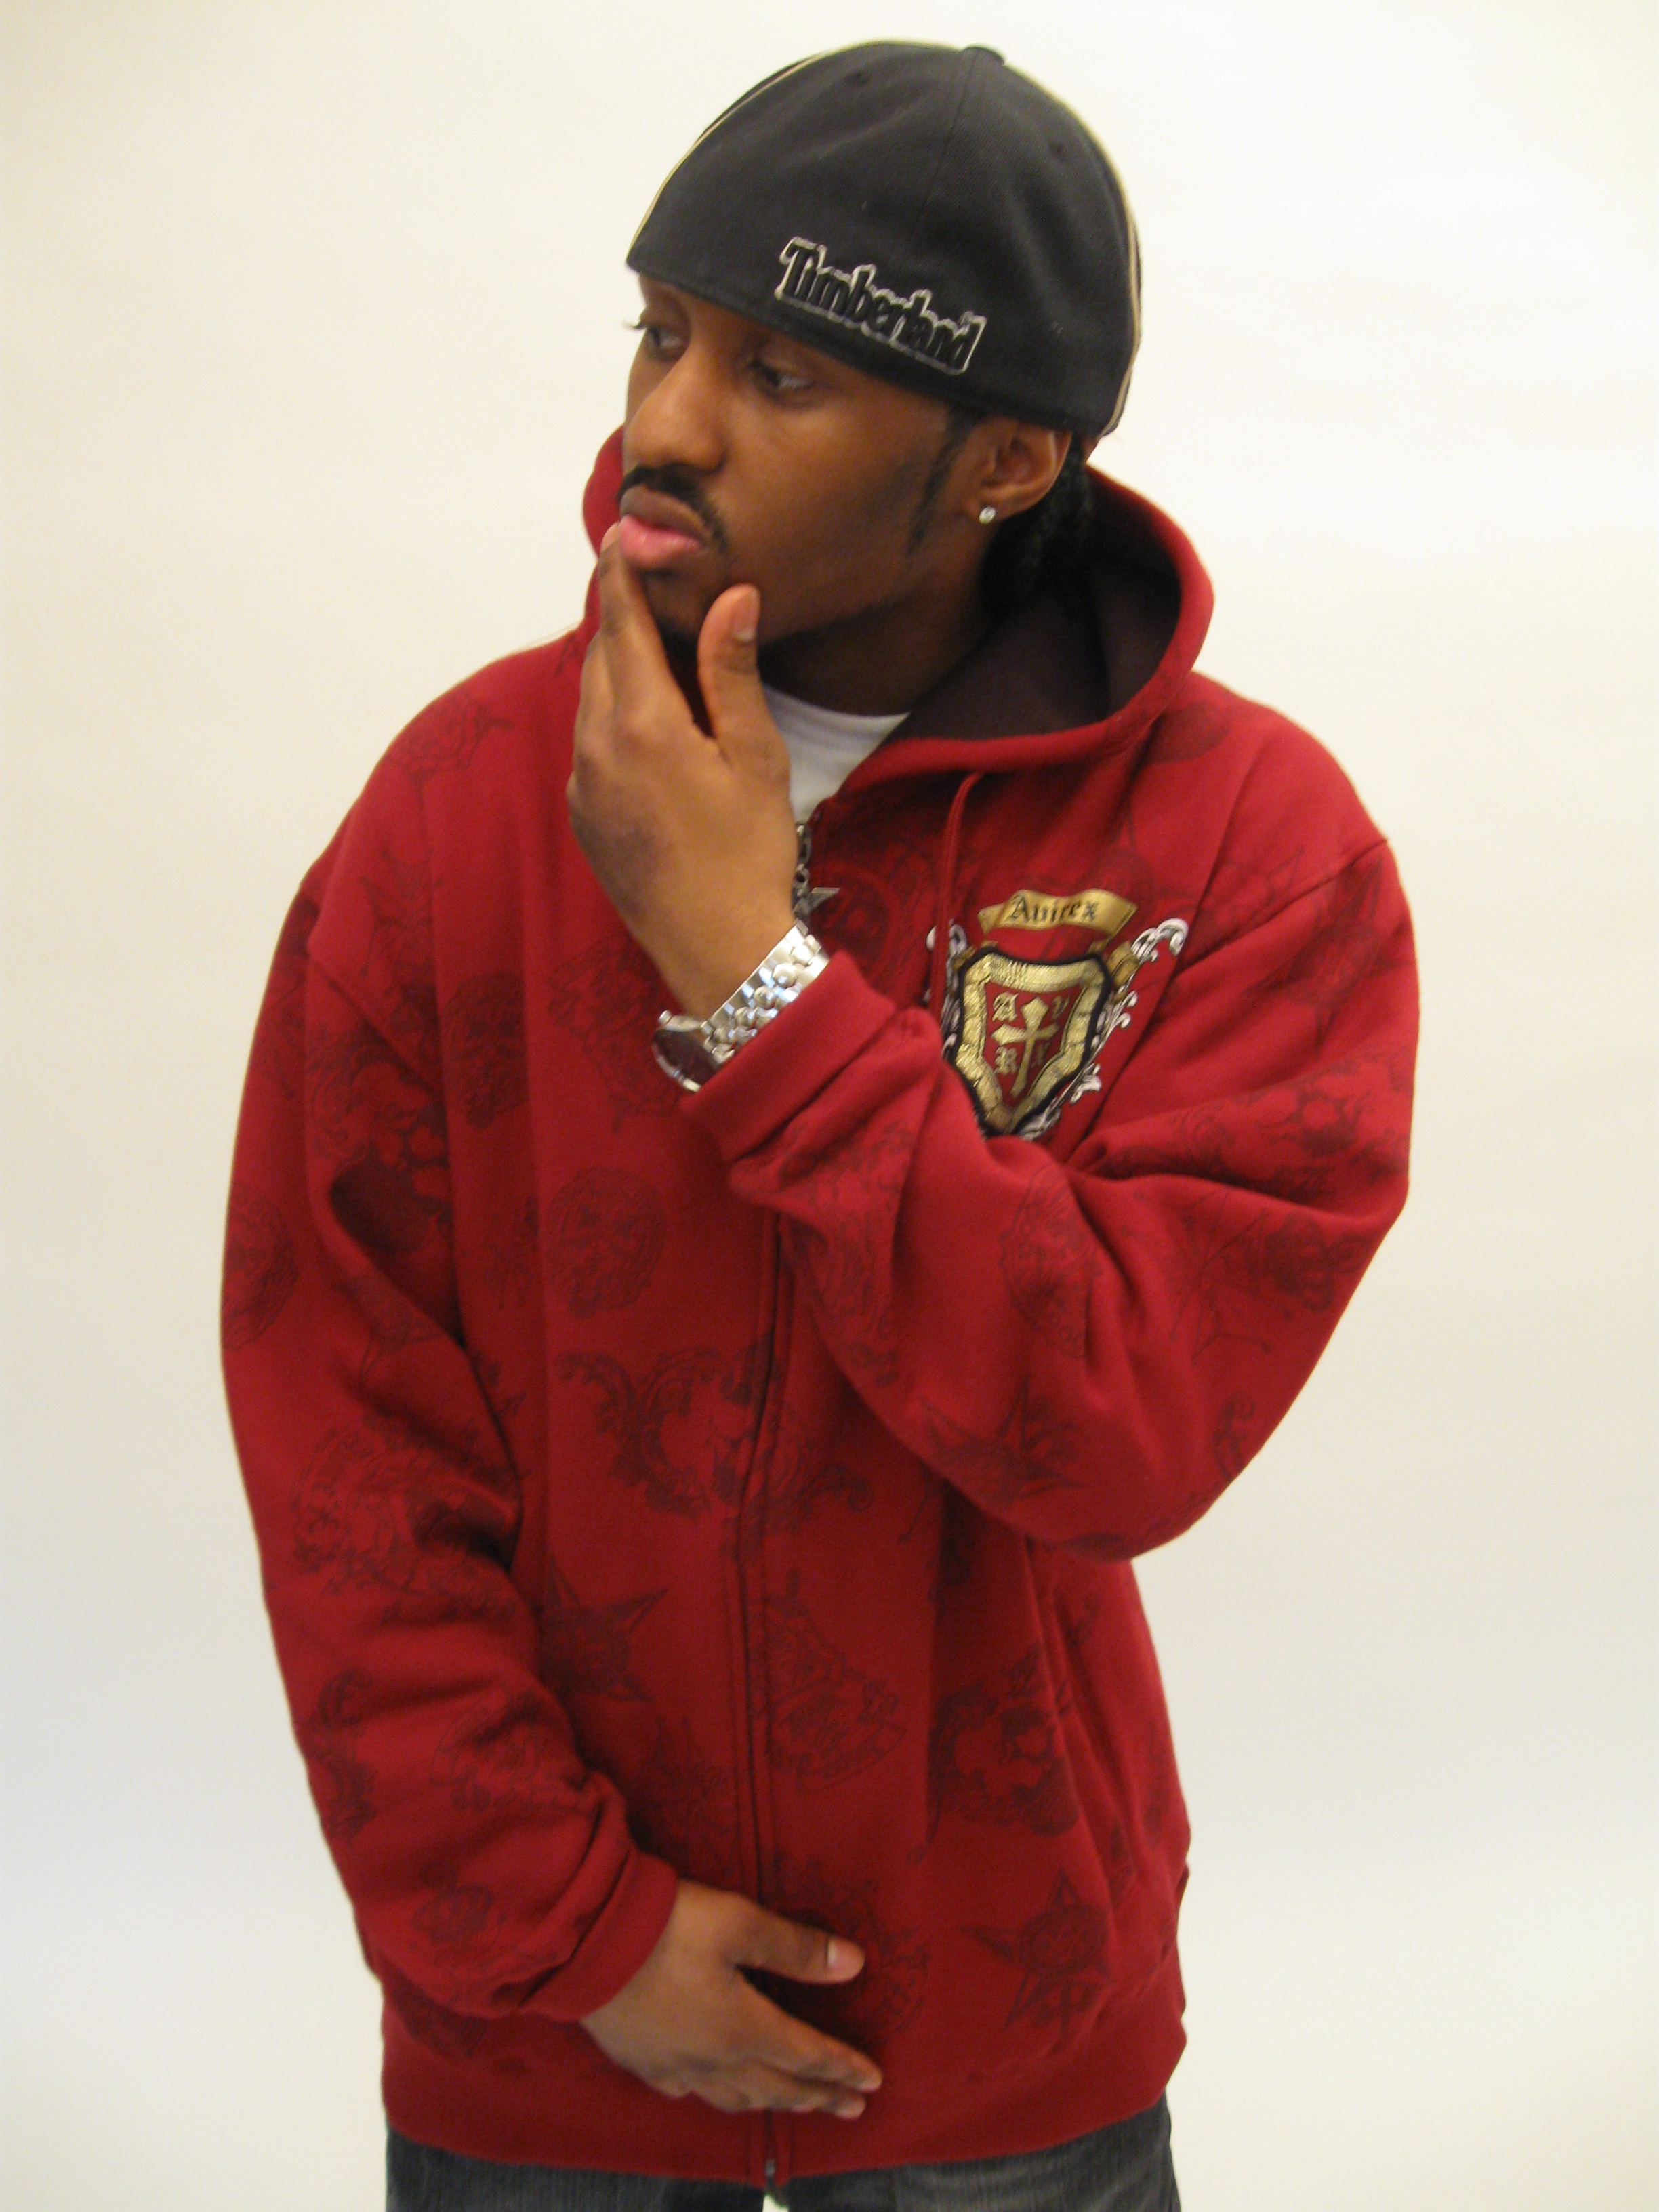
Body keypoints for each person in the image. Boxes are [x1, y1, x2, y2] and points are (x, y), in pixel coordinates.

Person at [222, 41, 1417, 2212]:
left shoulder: (1249, 848)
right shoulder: (458, 811)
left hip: (1001, 2054)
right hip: (543, 2061)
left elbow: (1122, 1427)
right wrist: (570, 1932)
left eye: (782, 375)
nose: (666, 422)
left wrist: (749, 978)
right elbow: (344, 1435)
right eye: (661, 332)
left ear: (1007, 458)